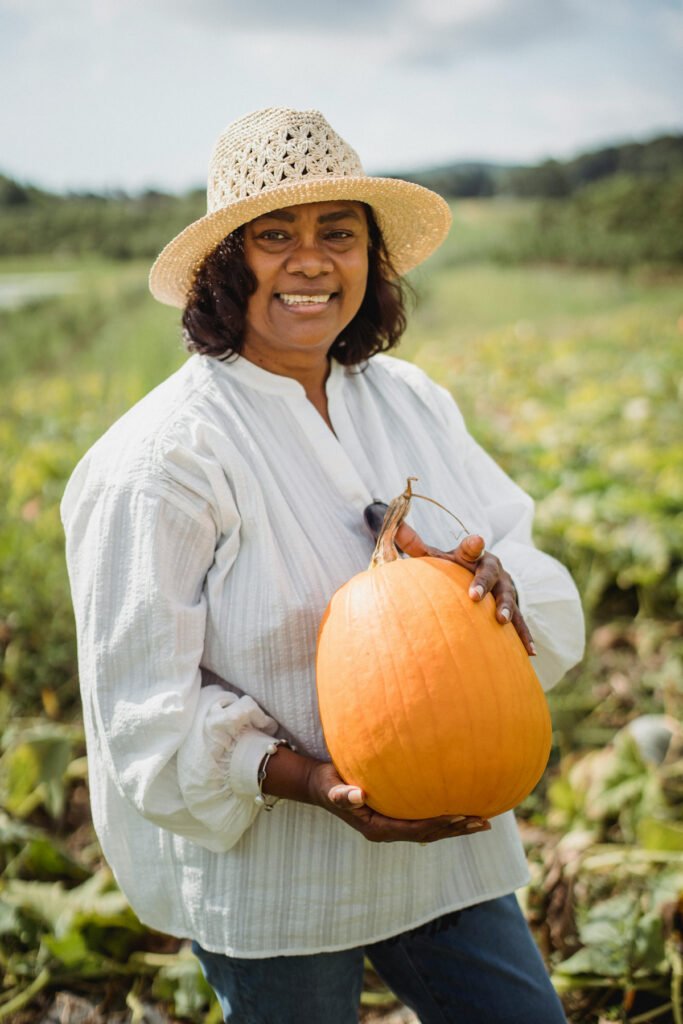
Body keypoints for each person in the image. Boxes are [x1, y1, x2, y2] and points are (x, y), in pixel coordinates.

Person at [61, 107, 584, 1023]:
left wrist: (494, 578)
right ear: (226, 263)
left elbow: (524, 554)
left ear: (368, 260)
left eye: (337, 234)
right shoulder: (162, 459)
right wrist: (311, 782)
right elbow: (144, 710)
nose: (311, 261)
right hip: (276, 877)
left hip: (446, 839)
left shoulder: (411, 401)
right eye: (276, 237)